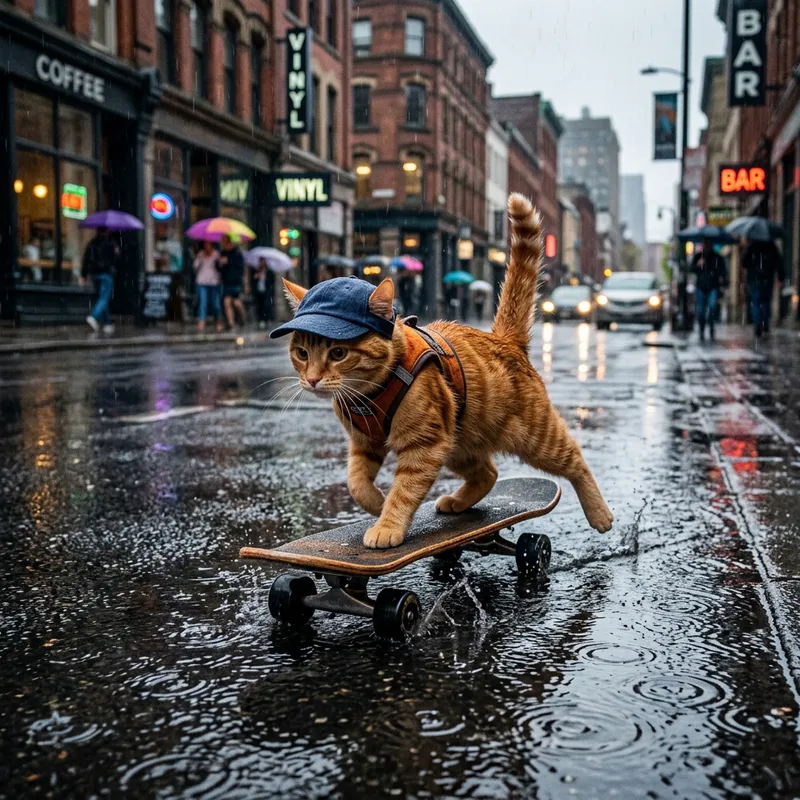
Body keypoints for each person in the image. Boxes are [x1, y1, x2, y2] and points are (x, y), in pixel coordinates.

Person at [741, 237, 784, 337]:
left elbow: (744, 263)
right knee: (765, 302)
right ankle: (764, 322)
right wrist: (780, 277)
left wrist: (747, 250)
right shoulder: (771, 246)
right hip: (766, 278)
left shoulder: (752, 247)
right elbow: (779, 262)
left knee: (756, 302)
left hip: (755, 279)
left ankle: (758, 323)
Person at [82, 226, 120, 333]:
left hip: (95, 274)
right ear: (107, 231)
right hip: (106, 274)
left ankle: (108, 323)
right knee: (104, 297)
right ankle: (94, 317)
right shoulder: (111, 243)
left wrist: (84, 274)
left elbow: (86, 259)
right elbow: (116, 259)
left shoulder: (92, 243)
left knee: (102, 298)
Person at [689, 239, 727, 342]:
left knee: (712, 309)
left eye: (709, 244)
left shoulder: (717, 257)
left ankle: (711, 328)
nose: (707, 246)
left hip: (713, 287)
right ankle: (701, 330)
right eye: (705, 244)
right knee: (701, 311)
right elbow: (691, 269)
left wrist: (723, 284)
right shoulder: (698, 256)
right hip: (701, 287)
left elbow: (723, 271)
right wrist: (698, 265)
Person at [193, 240, 222, 333]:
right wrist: (198, 258)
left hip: (214, 281)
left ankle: (218, 321)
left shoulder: (216, 254)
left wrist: (219, 261)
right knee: (203, 302)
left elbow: (219, 268)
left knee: (215, 304)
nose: (207, 246)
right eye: (205, 244)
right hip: (202, 281)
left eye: (208, 244)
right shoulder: (201, 254)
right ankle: (202, 322)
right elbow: (195, 266)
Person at [218, 233, 246, 329]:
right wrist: (220, 264)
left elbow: (240, 267)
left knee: (236, 303)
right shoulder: (222, 253)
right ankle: (231, 323)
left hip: (236, 281)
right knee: (227, 302)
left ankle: (242, 318)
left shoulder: (237, 254)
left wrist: (229, 261)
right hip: (226, 282)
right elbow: (219, 268)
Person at [249, 256, 275, 330]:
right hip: (258, 292)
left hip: (266, 291)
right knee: (259, 306)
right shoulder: (256, 271)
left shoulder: (269, 271)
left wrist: (265, 278)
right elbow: (252, 281)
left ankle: (266, 320)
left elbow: (271, 281)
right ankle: (260, 320)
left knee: (266, 306)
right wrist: (256, 277)